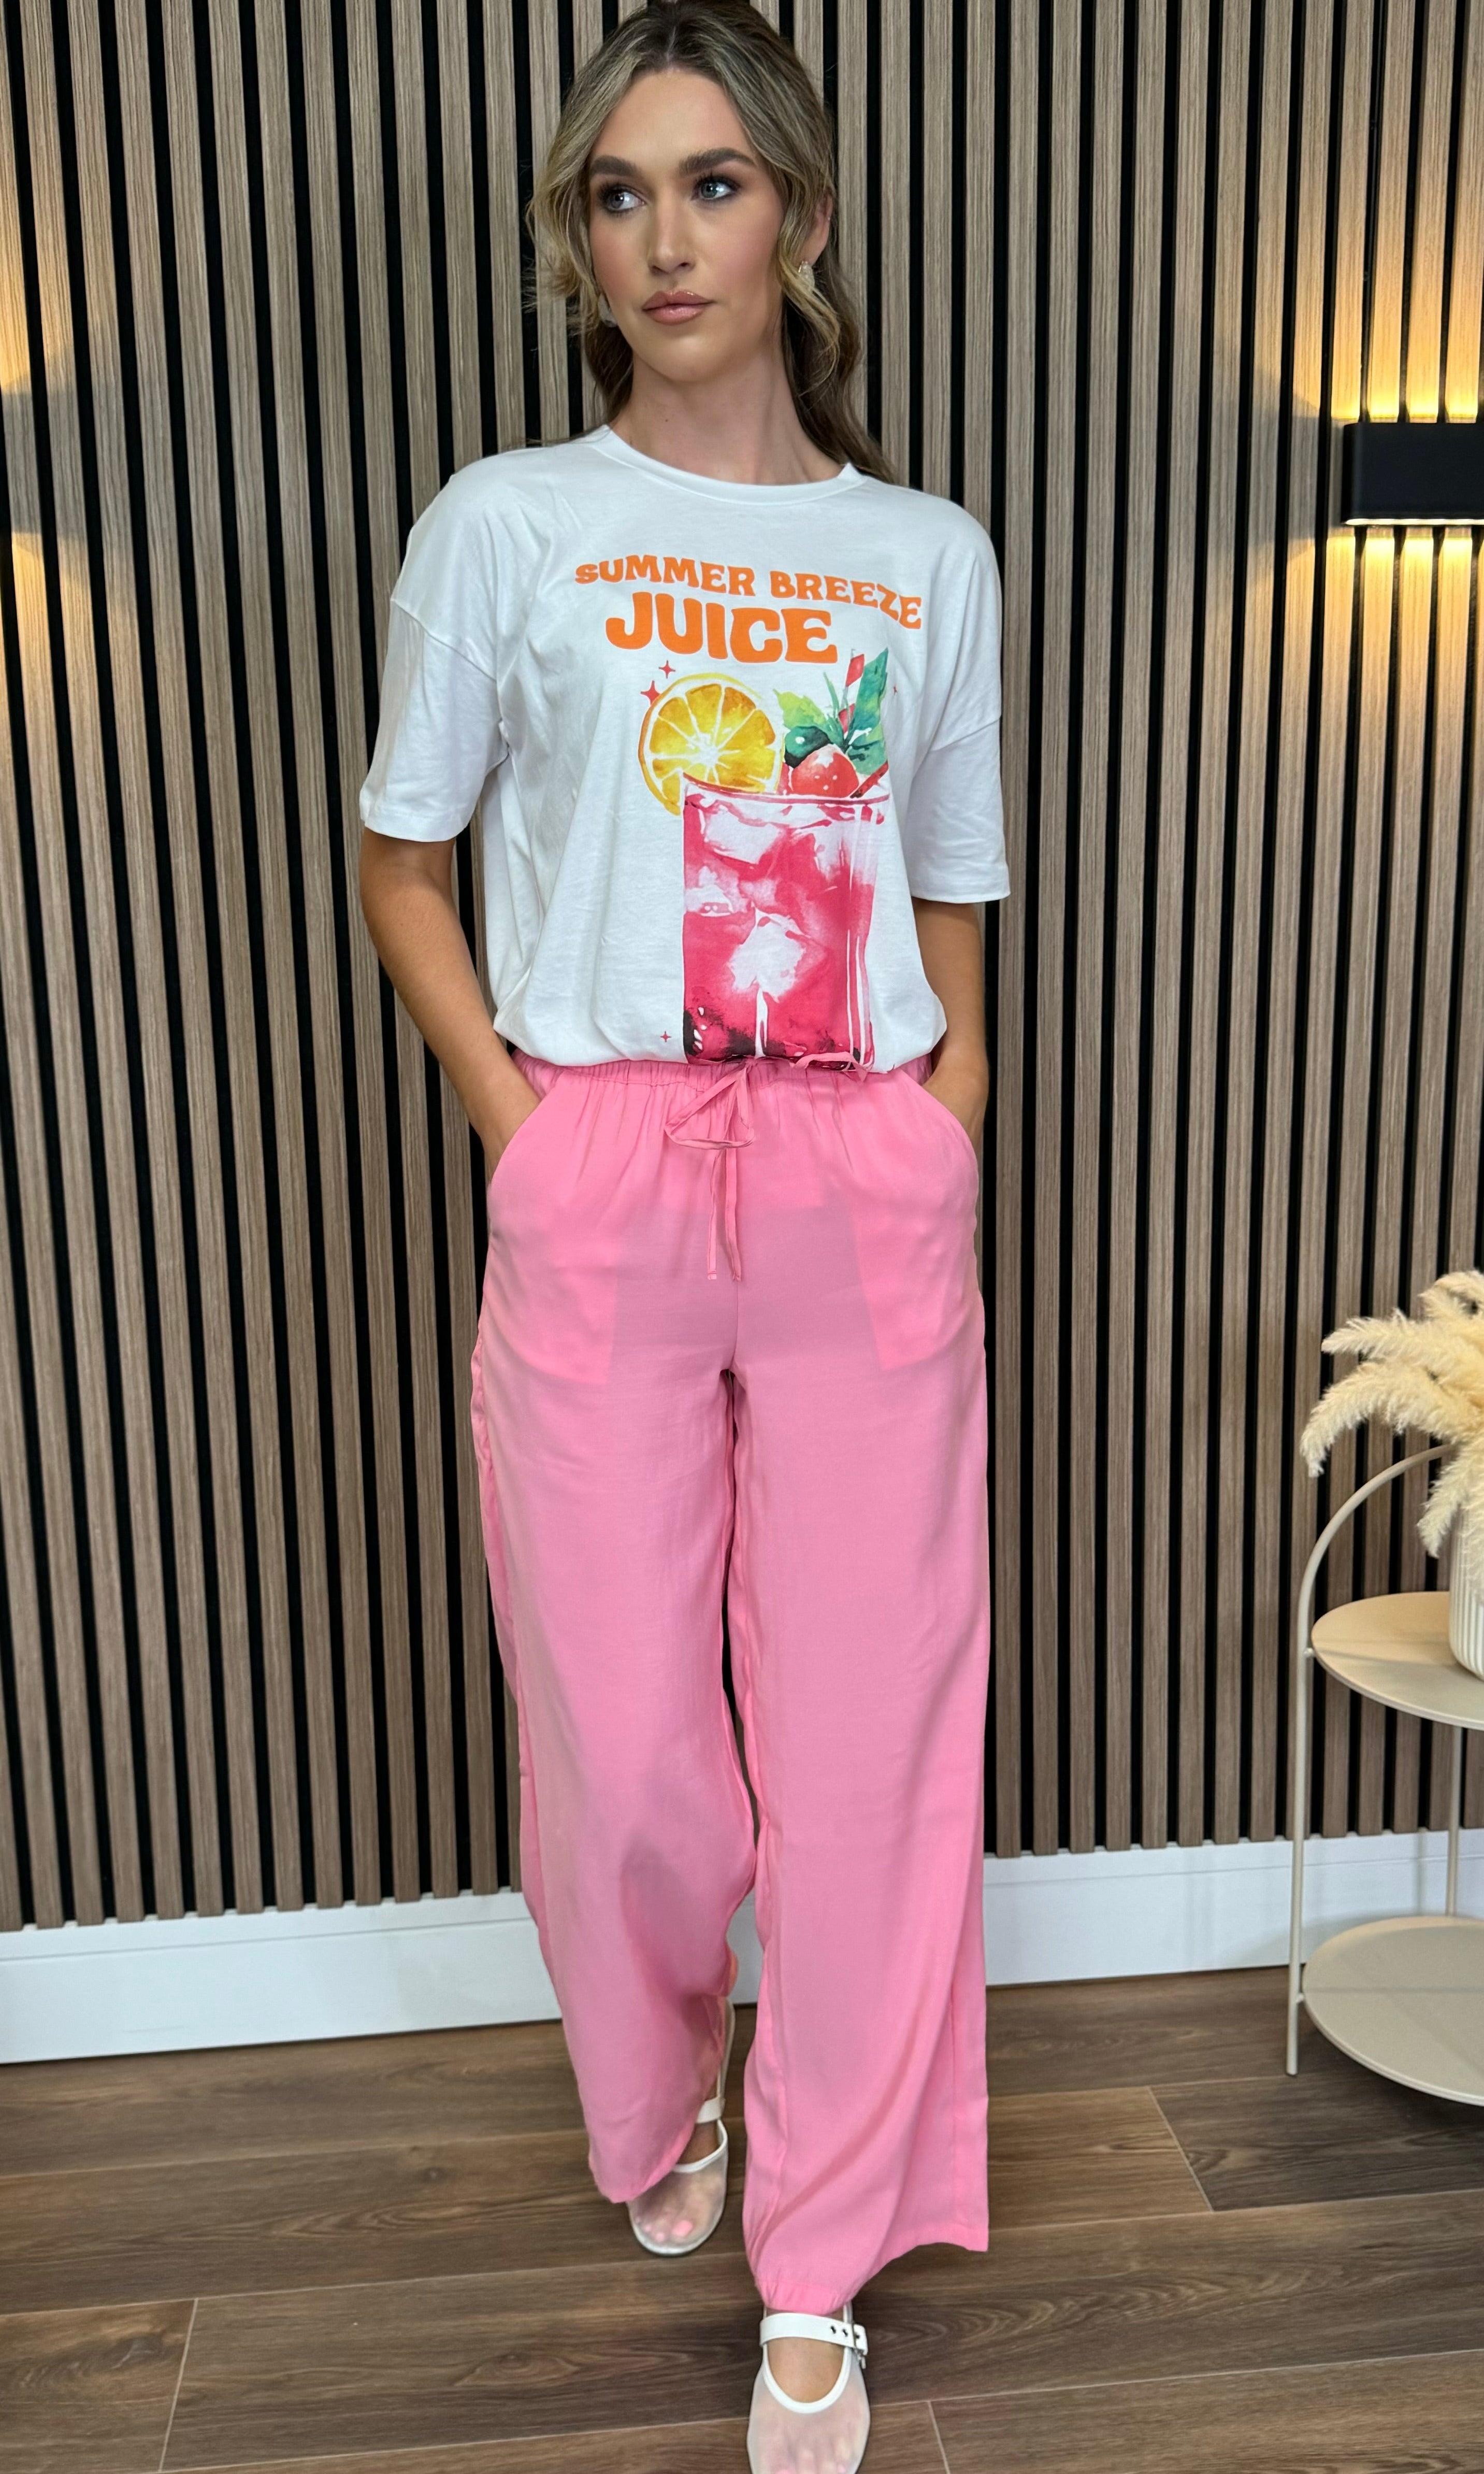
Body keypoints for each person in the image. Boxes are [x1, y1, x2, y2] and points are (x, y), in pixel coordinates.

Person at [358, 6, 1007, 2468]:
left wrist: (946, 1118)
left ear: (801, 219)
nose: (665, 239)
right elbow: (404, 865)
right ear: (581, 240)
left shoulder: (923, 557)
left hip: (855, 1164)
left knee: (867, 1746)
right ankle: (667, 2094)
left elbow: (953, 888)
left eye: (714, 185)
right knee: (626, 1748)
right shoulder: (505, 524)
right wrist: (518, 1124)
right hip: (607, 1164)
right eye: (619, 195)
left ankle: (818, 2264)